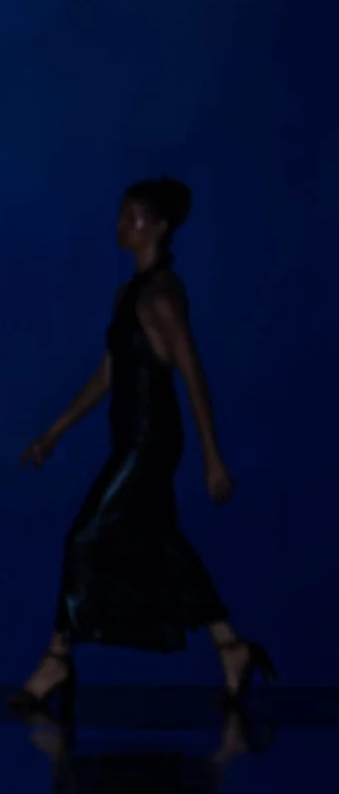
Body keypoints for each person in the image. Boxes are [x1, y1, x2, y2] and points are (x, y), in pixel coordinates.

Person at [17, 178, 263, 708]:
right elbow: (109, 372)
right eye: (121, 214)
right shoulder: (128, 293)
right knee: (163, 544)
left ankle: (57, 658)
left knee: (85, 538)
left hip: (150, 441)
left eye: (131, 216)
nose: (120, 225)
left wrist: (212, 458)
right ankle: (231, 647)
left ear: (158, 226)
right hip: (130, 435)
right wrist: (54, 433)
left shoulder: (163, 293)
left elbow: (192, 374)